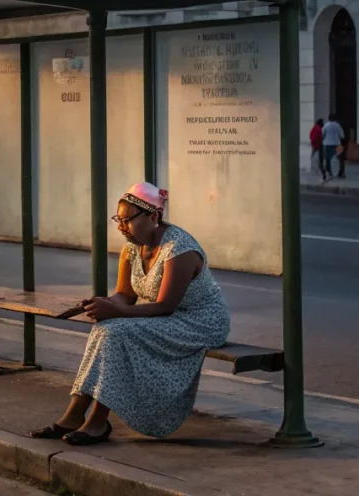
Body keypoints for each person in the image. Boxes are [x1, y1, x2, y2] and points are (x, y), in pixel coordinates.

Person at [31, 182, 229, 445]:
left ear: (153, 217)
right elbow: (124, 295)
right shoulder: (132, 248)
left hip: (198, 321)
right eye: (118, 219)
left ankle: (97, 423)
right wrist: (101, 303)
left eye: (127, 220)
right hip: (167, 316)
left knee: (116, 331)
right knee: (106, 328)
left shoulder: (179, 250)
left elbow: (165, 306)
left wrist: (115, 311)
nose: (121, 226)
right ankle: (75, 414)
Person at [321, 113, 345, 180]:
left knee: (327, 159)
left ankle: (329, 172)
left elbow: (322, 134)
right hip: (337, 144)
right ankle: (341, 172)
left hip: (327, 144)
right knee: (341, 159)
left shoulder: (326, 125)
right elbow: (342, 135)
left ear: (329, 118)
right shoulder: (338, 125)